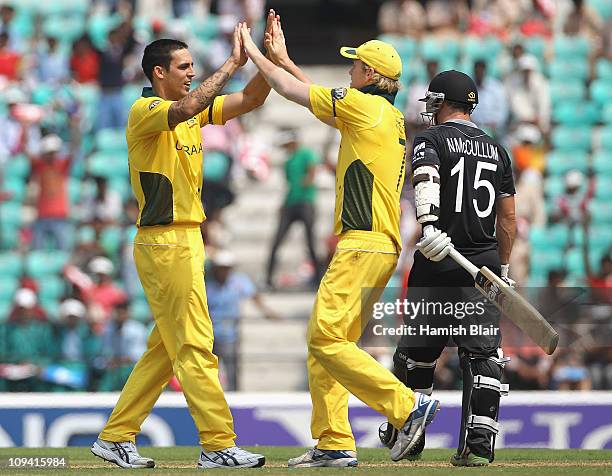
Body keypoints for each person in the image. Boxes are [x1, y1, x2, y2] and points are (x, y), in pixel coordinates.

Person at [90, 11, 294, 470]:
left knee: (165, 349)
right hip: (165, 241)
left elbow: (250, 100)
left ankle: (116, 436)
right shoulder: (146, 111)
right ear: (158, 73)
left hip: (183, 240)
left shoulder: (190, 115)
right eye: (184, 67)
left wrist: (267, 57)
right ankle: (217, 443)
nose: (192, 73)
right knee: (197, 345)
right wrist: (230, 63)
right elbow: (185, 107)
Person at [239, 17, 440, 467]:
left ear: (369, 75)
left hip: (362, 243)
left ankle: (407, 407)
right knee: (329, 347)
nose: (347, 72)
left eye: (354, 67)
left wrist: (255, 54)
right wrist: (286, 58)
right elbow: (320, 104)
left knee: (324, 339)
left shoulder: (365, 109)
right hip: (377, 244)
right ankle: (333, 442)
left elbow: (293, 94)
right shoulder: (379, 113)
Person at [380, 70, 516, 467]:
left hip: (439, 258)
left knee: (416, 356)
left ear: (442, 102)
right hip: (484, 260)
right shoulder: (498, 149)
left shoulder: (430, 139)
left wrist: (429, 224)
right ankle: (477, 448)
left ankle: (409, 435)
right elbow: (508, 219)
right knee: (483, 357)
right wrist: (503, 267)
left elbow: (425, 179)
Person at [206, 250, 279, 390]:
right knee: (209, 374)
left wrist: (269, 312)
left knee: (232, 372)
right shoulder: (207, 284)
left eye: (226, 268)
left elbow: (254, 296)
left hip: (230, 335)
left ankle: (233, 399)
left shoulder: (237, 282)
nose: (223, 272)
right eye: (221, 268)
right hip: (209, 336)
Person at [266, 128, 321, 289]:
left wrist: (304, 183)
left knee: (311, 243)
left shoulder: (306, 154)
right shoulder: (288, 162)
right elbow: (289, 185)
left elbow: (311, 173)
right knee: (277, 241)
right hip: (291, 203)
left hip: (305, 202)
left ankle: (317, 279)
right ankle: (269, 279)